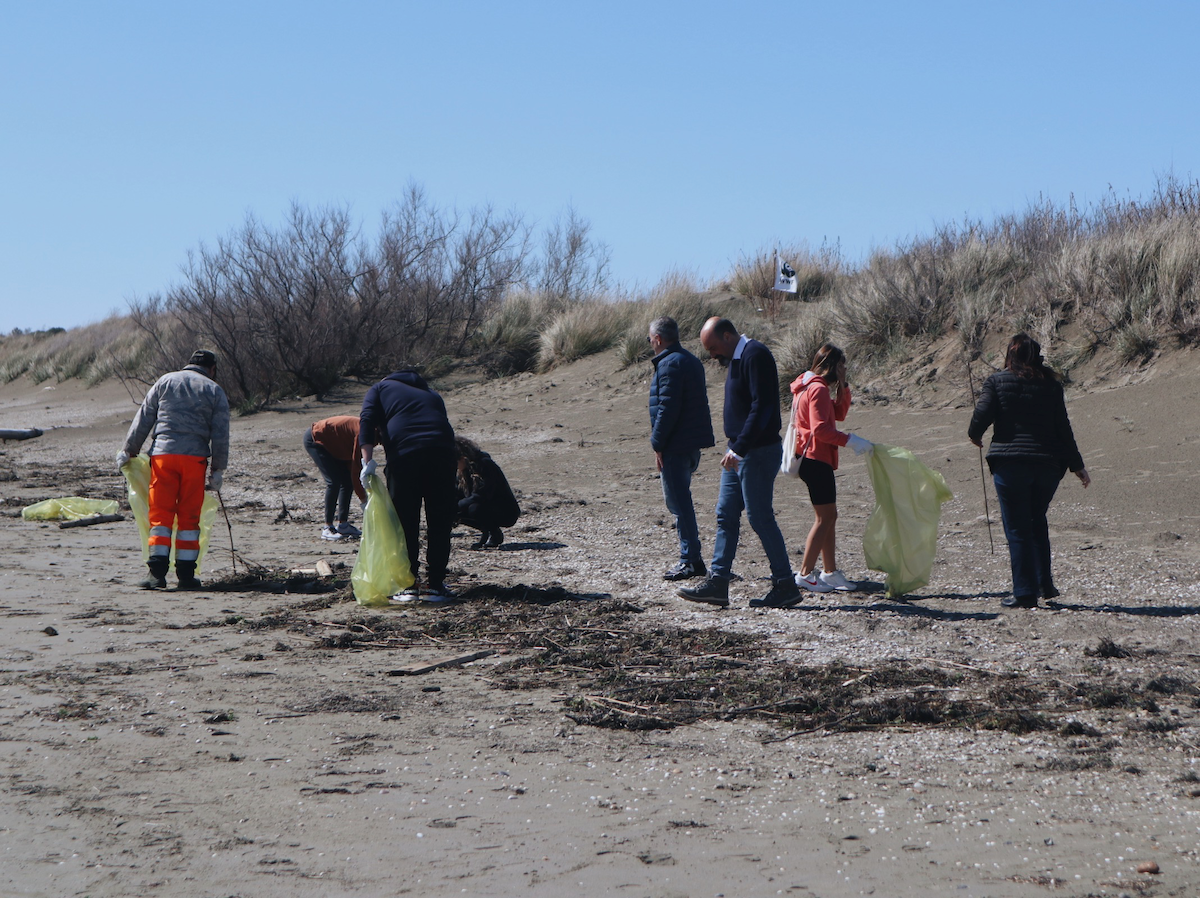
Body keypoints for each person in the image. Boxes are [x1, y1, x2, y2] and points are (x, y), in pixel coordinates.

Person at [678, 317, 801, 609]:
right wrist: (736, 447)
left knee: (759, 517)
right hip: (739, 451)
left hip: (756, 452)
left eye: (713, 347)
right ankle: (718, 583)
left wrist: (740, 448)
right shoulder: (735, 358)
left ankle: (785, 584)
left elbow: (763, 406)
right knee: (725, 514)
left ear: (728, 335)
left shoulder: (755, 354)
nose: (712, 355)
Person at [968, 333, 1091, 609]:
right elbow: (1063, 429)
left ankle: (1024, 592)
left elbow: (982, 416)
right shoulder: (1051, 385)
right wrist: (1077, 465)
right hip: (1047, 466)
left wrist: (974, 435)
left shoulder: (997, 381)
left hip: (1010, 465)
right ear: (1038, 357)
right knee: (1036, 522)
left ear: (1010, 357)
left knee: (1018, 528)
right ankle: (1043, 584)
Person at [116, 349, 230, 590]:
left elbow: (144, 416)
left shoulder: (166, 381)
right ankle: (186, 577)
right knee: (189, 518)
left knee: (161, 516)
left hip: (163, 456)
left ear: (188, 364)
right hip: (195, 460)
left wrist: (129, 450)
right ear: (212, 369)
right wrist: (218, 470)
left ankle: (156, 575)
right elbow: (220, 434)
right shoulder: (214, 389)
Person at [359, 368, 457, 601]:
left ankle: (408, 585)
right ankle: (435, 585)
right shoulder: (432, 394)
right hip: (443, 453)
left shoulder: (380, 388)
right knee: (439, 520)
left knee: (405, 521)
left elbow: (366, 422)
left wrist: (367, 461)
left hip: (405, 456)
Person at [787, 343, 873, 594]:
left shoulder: (808, 386)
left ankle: (830, 572)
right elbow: (822, 430)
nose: (844, 369)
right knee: (825, 518)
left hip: (809, 458)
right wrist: (852, 441)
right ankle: (805, 574)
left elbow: (838, 413)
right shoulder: (817, 389)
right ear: (833, 365)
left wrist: (843, 386)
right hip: (816, 460)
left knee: (828, 517)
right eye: (842, 365)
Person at [648, 316, 715, 580]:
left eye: (650, 339)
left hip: (676, 445)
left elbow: (667, 408)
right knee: (681, 501)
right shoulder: (689, 360)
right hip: (689, 444)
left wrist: (657, 443)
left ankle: (690, 560)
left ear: (658, 339)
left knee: (679, 503)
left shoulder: (669, 363)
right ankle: (692, 558)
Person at [304, 416, 368, 541]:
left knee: (347, 482)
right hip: (316, 439)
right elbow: (356, 468)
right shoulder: (363, 433)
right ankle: (327, 528)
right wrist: (364, 500)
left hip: (335, 444)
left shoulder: (369, 431)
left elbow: (353, 468)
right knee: (333, 482)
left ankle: (343, 525)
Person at [455, 436, 521, 549]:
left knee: (474, 508)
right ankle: (487, 531)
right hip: (485, 506)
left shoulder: (484, 465)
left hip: (506, 511)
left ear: (463, 457)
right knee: (451, 509)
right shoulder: (463, 471)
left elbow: (482, 495)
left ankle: (493, 532)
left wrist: (456, 506)